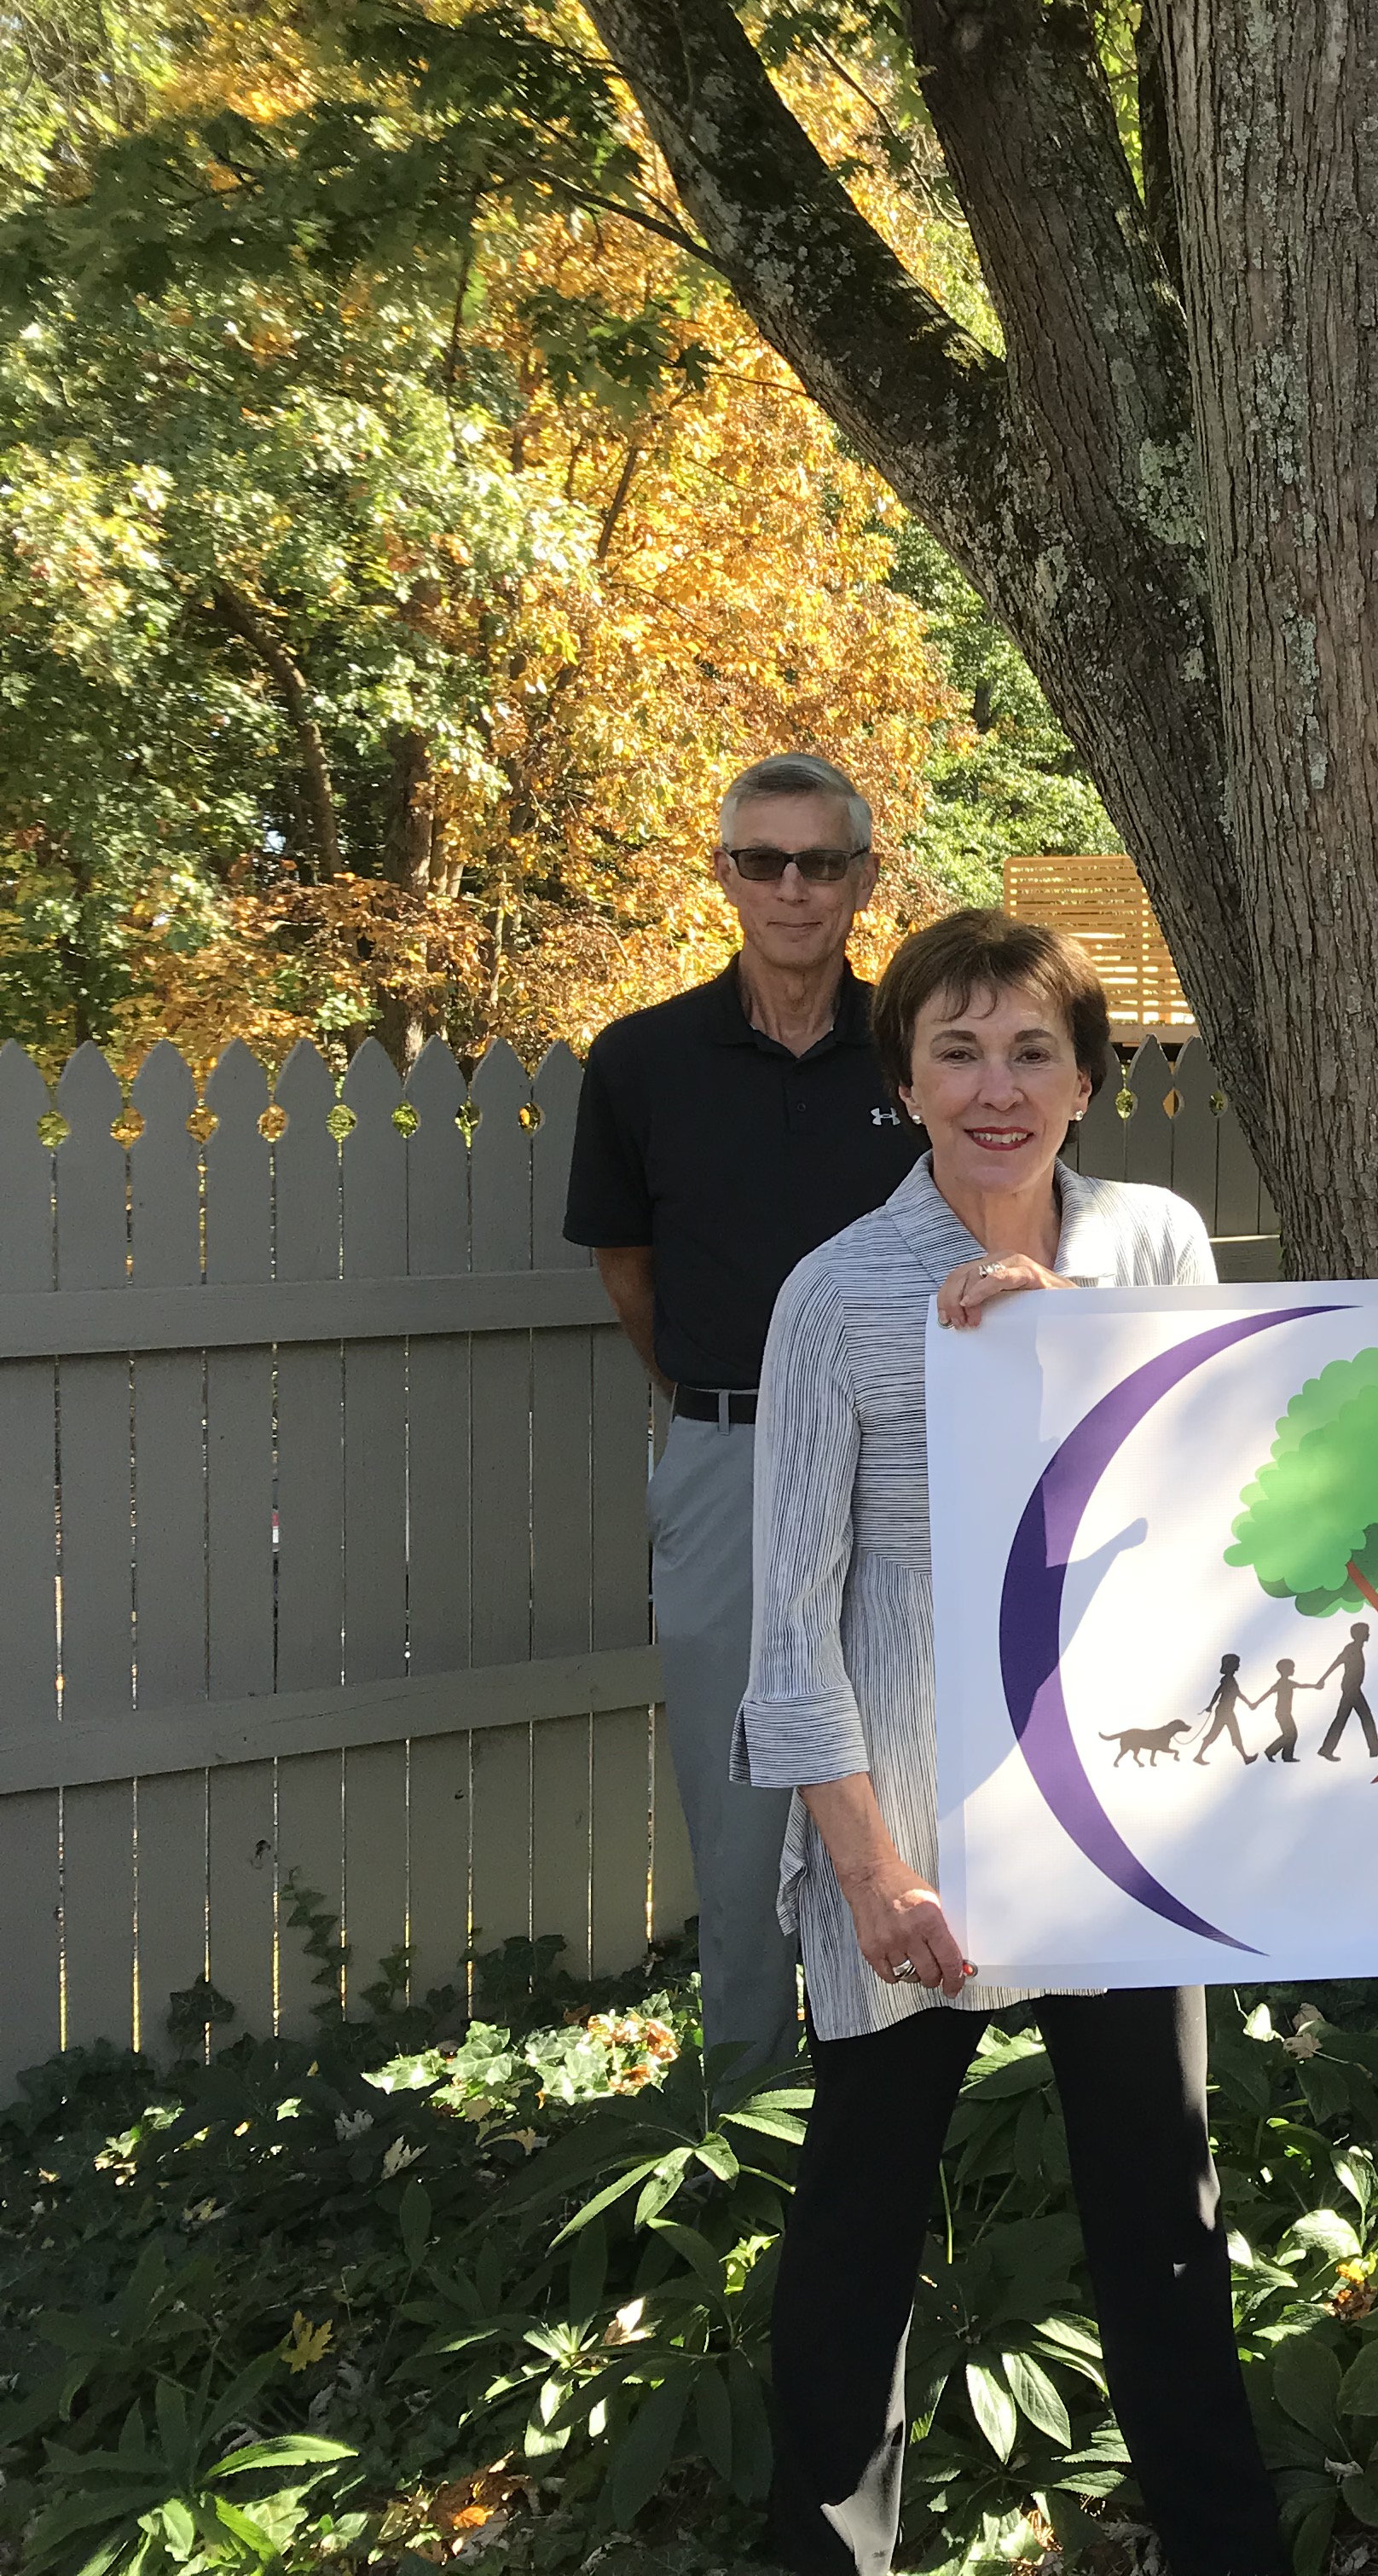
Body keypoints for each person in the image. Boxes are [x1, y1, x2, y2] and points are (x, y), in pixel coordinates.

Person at [735, 909, 1279, 2576]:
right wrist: (872, 1874)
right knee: (858, 2233)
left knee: (1166, 2220)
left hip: (1111, 1810)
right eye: (957, 1050)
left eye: (1033, 1048)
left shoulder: (1160, 1245)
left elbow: (1222, 1521)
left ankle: (1224, 2548)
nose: (997, 1085)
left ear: (1089, 1076)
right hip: (907, 1831)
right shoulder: (836, 1292)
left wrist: (1074, 1364)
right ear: (901, 1077)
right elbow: (792, 1622)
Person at [564, 750, 927, 2080]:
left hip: (910, 1457)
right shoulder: (644, 1060)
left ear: (862, 879)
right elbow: (629, 1273)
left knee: (914, 1751)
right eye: (762, 860)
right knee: (741, 1792)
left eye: (820, 862)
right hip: (729, 1452)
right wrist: (730, 1414)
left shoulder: (923, 1048)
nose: (791, 888)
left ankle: (900, 2083)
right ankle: (749, 2097)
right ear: (722, 874)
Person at [1313, 1624, 1378, 1760]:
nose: (1368, 1635)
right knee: (1365, 1717)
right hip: (1351, 1688)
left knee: (1343, 1718)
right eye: (1366, 1632)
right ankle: (1374, 1748)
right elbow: (1337, 1662)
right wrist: (1322, 1680)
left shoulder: (1357, 1648)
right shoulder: (1351, 1649)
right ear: (1359, 1634)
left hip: (1353, 1687)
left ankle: (1326, 1749)